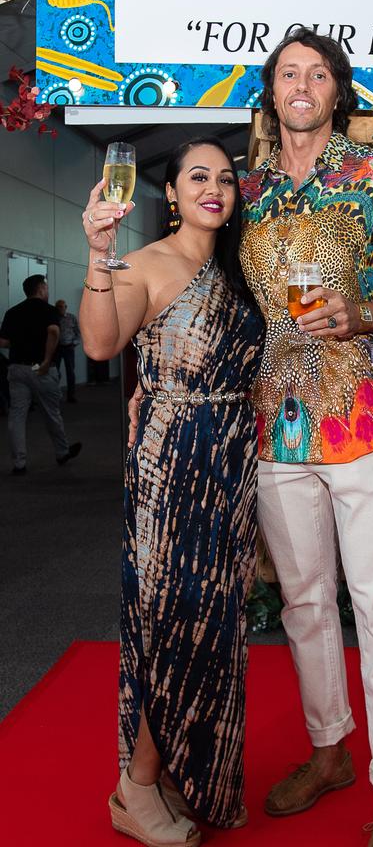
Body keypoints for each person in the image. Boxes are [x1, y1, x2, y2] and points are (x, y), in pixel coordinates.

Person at [239, 28, 373, 846]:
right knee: (301, 604)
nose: (301, 85)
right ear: (272, 91)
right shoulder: (247, 193)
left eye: (317, 74)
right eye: (287, 73)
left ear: (337, 91)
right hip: (275, 429)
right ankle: (329, 752)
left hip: (362, 418)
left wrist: (360, 315)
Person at [80, 138, 264, 845]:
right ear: (171, 192)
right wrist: (100, 249)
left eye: (225, 178)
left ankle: (185, 771)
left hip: (230, 460)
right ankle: (137, 786)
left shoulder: (237, 268)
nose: (214, 188)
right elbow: (101, 345)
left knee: (216, 629)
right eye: (198, 177)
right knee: (170, 628)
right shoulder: (144, 262)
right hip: (170, 465)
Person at [0, 274, 81, 475]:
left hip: (17, 368)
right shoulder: (49, 310)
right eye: (45, 287)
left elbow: (2, 342)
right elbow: (54, 333)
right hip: (40, 368)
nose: (47, 290)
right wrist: (45, 360)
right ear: (40, 289)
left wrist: (20, 344)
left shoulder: (12, 312)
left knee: (17, 416)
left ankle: (19, 463)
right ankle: (62, 452)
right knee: (51, 412)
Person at [54, 299, 80, 402]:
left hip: (69, 347)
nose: (60, 309)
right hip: (57, 348)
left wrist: (75, 343)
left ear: (66, 307)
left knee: (70, 372)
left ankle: (71, 395)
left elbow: (78, 332)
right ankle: (55, 395)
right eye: (58, 307)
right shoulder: (54, 318)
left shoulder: (71, 318)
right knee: (55, 372)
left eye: (62, 306)